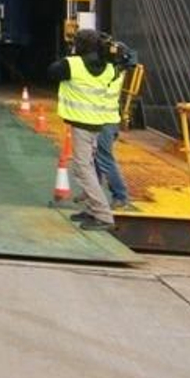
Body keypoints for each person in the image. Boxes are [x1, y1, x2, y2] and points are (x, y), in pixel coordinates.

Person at [50, 29, 124, 231]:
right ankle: (92, 209)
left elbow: (52, 71)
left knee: (83, 169)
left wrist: (72, 55)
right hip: (97, 123)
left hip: (81, 124)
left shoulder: (73, 64)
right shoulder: (110, 68)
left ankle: (102, 214)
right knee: (89, 166)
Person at [93, 36, 138, 210]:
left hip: (104, 122)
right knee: (96, 158)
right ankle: (93, 190)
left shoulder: (108, 73)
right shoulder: (118, 70)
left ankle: (120, 195)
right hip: (107, 120)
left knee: (104, 159)